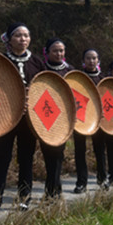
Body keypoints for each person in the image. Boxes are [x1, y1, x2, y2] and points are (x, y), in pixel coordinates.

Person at [0, 23, 45, 211]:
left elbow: (45, 89)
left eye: (26, 35)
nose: (23, 39)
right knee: (2, 157)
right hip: (6, 117)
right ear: (9, 39)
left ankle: (24, 198)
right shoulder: (1, 61)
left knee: (26, 157)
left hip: (28, 119)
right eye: (18, 35)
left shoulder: (37, 63)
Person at [40, 38, 74, 199]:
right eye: (55, 50)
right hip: (44, 118)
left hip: (63, 120)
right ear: (47, 52)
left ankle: (53, 190)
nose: (59, 53)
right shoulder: (42, 69)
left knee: (58, 155)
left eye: (61, 50)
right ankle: (52, 189)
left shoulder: (70, 72)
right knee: (48, 155)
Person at [73, 49, 106, 193]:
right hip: (80, 119)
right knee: (80, 151)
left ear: (98, 61)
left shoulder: (104, 79)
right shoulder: (77, 78)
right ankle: (81, 182)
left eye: (94, 58)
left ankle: (102, 179)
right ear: (83, 60)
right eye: (88, 58)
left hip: (98, 120)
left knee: (99, 150)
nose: (91, 61)